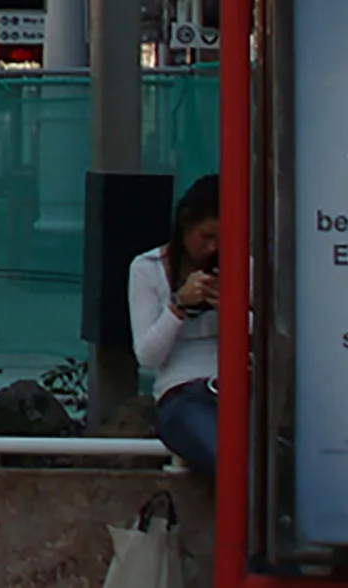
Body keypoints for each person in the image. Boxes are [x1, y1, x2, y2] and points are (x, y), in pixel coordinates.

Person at [131, 173, 219, 476]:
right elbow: (147, 357)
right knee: (229, 459)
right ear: (185, 224)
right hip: (182, 394)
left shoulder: (240, 266)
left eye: (220, 239)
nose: (211, 248)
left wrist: (234, 310)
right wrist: (177, 307)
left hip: (235, 388)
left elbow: (266, 336)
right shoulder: (147, 269)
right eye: (205, 237)